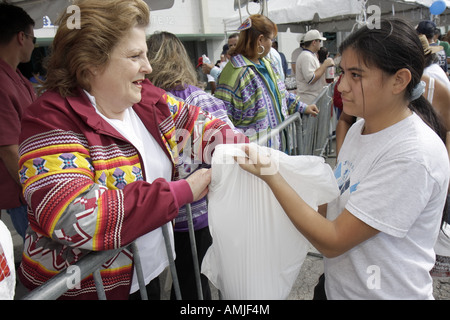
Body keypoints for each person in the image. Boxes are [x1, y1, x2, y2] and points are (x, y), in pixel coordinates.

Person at [17, 0, 246, 300]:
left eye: (146, 55)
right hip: (87, 289)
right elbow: (73, 216)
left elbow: (195, 125)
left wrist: (238, 146)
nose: (148, 67)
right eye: (135, 56)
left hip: (147, 272)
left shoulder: (144, 98)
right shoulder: (49, 121)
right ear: (90, 63)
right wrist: (181, 192)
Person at [237, 18, 450, 299]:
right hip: (337, 288)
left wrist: (273, 176)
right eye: (342, 73)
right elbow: (335, 199)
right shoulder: (361, 127)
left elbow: (334, 240)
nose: (341, 87)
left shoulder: (413, 155)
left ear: (399, 80)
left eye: (356, 75)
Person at [146, 31, 235, 300]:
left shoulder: (144, 103)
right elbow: (230, 148)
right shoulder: (196, 99)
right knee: (194, 282)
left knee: (186, 280)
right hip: (197, 212)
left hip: (164, 214)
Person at [214, 14, 318, 150]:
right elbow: (223, 119)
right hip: (255, 158)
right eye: (271, 39)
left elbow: (280, 95)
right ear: (260, 40)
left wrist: (302, 107)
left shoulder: (265, 63)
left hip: (277, 149)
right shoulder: (235, 72)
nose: (272, 44)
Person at [0, 3, 36, 241]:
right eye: (34, 39)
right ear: (21, 37)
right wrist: (36, 192)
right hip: (25, 196)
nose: (35, 46)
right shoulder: (1, 82)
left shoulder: (17, 77)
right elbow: (9, 149)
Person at [295, 29, 335, 104]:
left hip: (313, 99)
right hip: (308, 100)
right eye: (319, 41)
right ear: (314, 42)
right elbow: (311, 79)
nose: (320, 43)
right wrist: (325, 65)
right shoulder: (306, 56)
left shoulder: (311, 55)